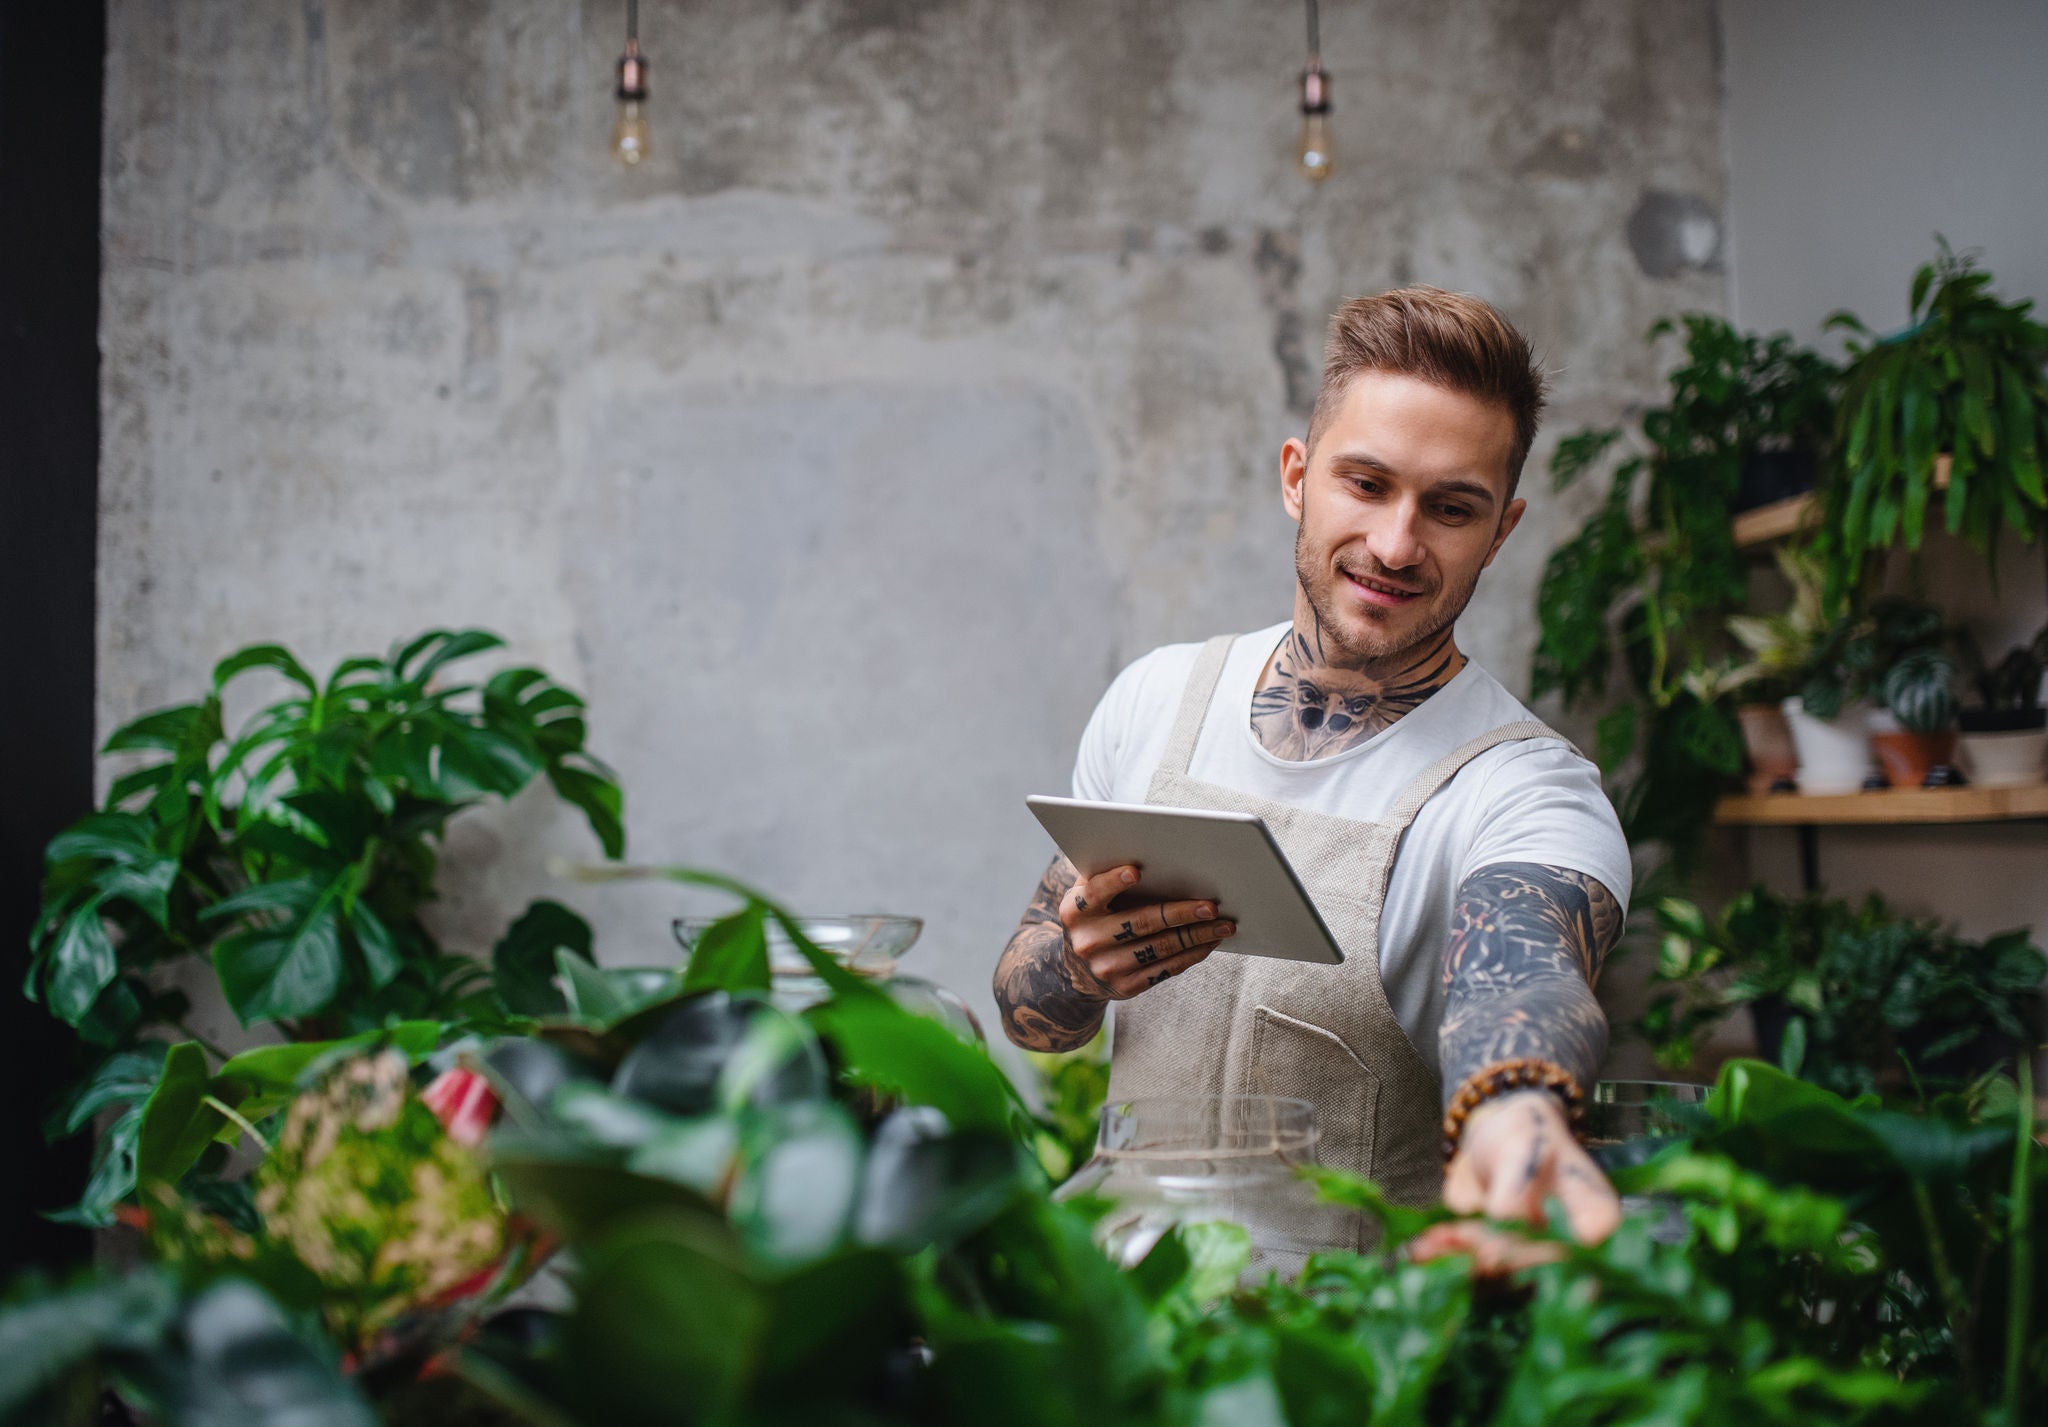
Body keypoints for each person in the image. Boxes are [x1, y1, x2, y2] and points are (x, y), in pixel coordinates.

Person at [993, 286, 1630, 1261]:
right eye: (1365, 483)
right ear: (1297, 476)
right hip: (1118, 1331)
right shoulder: (1154, 698)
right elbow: (1030, 1013)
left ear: (1499, 530)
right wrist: (1074, 964)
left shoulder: (1525, 789)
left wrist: (1519, 1112)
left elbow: (1523, 967)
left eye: (1449, 507)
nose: (1393, 544)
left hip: (1343, 1364)